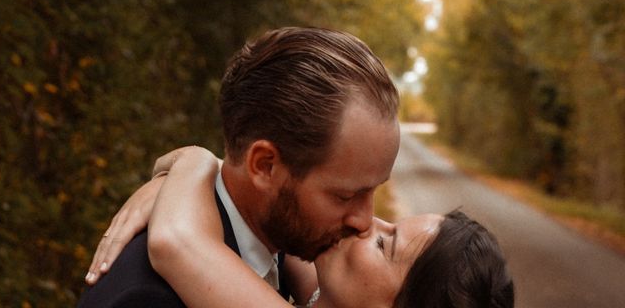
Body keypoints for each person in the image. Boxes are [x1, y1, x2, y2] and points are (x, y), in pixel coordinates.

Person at [79, 26, 401, 307]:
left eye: (373, 190)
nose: (364, 220)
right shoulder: (150, 298)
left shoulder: (277, 245)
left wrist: (193, 162)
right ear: (264, 166)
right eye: (345, 196)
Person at [90, 146, 515, 308]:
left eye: (386, 245)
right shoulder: (323, 288)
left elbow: (178, 242)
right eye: (391, 224)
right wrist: (201, 181)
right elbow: (278, 204)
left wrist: (193, 163)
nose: (366, 224)